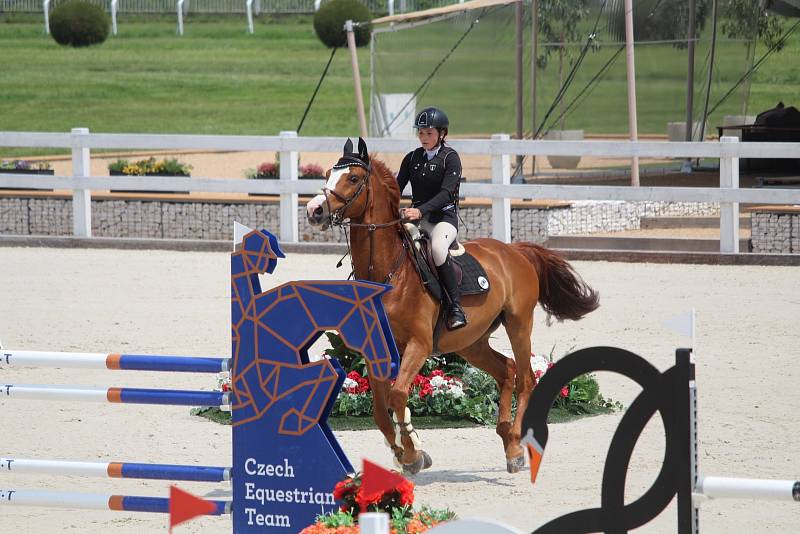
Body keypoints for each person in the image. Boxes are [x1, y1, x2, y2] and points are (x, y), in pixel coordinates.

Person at [397, 106, 467, 331]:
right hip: (418, 218)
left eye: (429, 133)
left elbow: (446, 193)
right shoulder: (412, 158)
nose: (424, 138)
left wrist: (420, 210)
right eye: (421, 133)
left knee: (437, 248)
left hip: (443, 219)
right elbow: (397, 187)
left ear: (441, 134)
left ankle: (455, 307)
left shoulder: (451, 159)